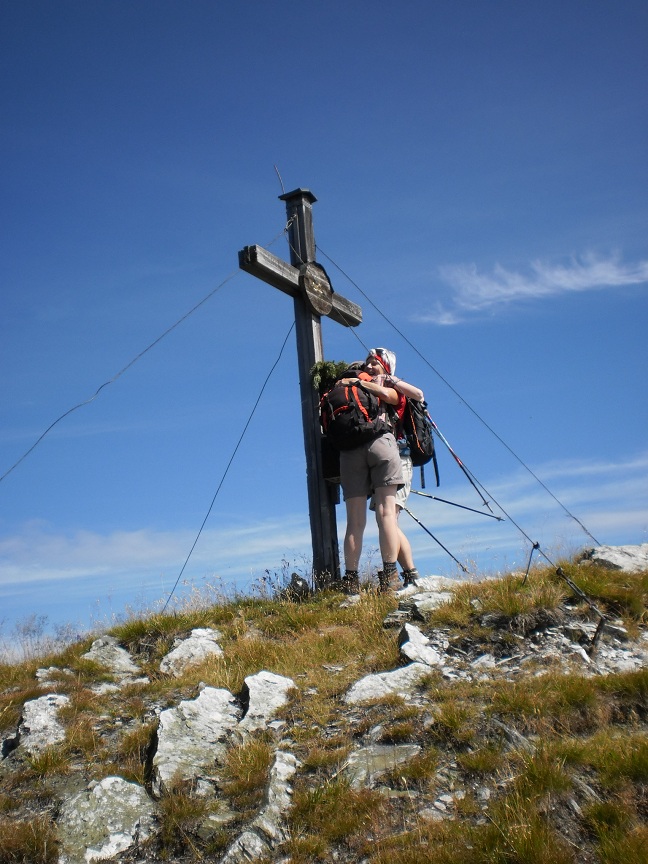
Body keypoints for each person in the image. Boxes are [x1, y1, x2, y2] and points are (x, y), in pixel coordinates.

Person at [333, 366, 404, 595]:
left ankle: (351, 580)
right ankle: (390, 576)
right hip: (380, 442)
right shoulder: (372, 382)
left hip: (350, 452)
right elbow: (395, 399)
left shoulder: (336, 389)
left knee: (354, 521)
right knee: (386, 513)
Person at [365, 348, 424, 591]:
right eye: (367, 363)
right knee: (386, 521)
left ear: (386, 367)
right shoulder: (370, 385)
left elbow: (418, 395)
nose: (369, 367)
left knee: (388, 518)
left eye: (374, 364)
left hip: (399, 458)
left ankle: (405, 574)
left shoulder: (394, 391)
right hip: (385, 460)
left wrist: (390, 380)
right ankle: (410, 574)